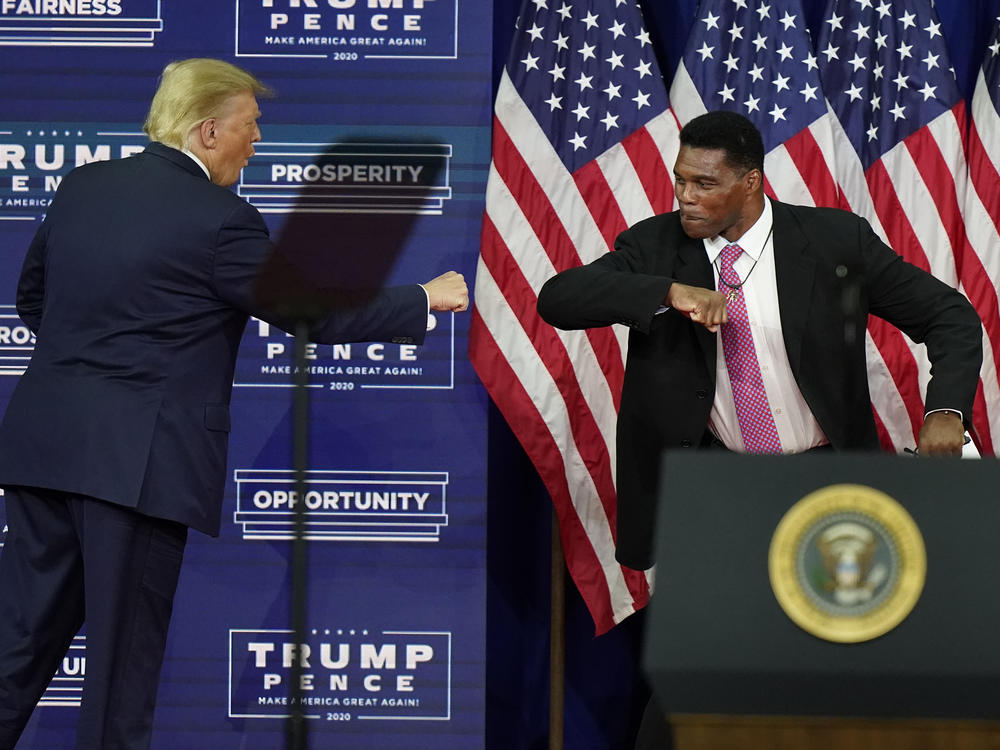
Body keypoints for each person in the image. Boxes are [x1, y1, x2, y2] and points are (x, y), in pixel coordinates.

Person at [0, 58, 468, 750]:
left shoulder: (83, 185)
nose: (256, 143)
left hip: (45, 451)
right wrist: (420, 301)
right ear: (209, 128)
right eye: (251, 127)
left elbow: (32, 301)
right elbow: (312, 313)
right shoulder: (221, 220)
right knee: (120, 676)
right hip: (139, 469)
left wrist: (98, 374)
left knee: (17, 646)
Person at [537, 110, 982, 748]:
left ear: (751, 183)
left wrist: (946, 410)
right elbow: (560, 297)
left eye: (704, 184)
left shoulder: (832, 241)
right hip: (720, 490)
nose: (686, 197)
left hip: (826, 481)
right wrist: (669, 292)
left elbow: (951, 317)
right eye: (680, 180)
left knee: (843, 670)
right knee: (696, 675)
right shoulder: (657, 246)